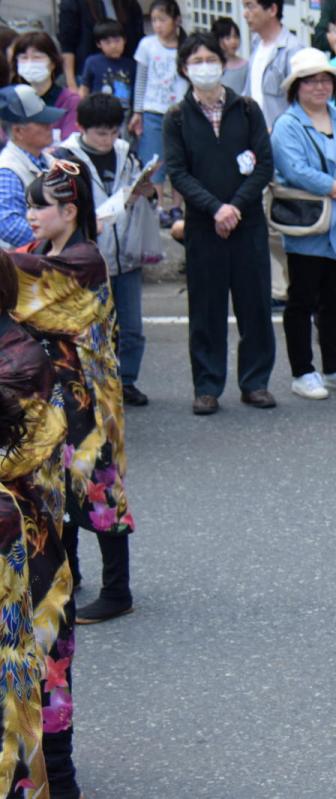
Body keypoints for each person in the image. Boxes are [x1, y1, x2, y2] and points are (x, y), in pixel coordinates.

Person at [11, 159, 133, 797]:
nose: (32, 215)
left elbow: (31, 287)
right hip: (50, 403)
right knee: (54, 507)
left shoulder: (82, 260)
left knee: (98, 493)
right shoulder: (38, 257)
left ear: (70, 210)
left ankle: (118, 586)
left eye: (42, 205)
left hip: (84, 398)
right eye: (30, 205)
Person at [164, 32, 277, 415]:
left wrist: (235, 208)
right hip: (203, 225)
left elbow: (263, 165)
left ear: (224, 62)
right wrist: (215, 209)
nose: (205, 67)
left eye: (210, 59)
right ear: (184, 69)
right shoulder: (177, 117)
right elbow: (178, 173)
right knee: (206, 309)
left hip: (247, 222)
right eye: (196, 61)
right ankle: (207, 386)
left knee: (255, 304)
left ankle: (255, 382)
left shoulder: (246, 109)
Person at [0, 248, 69, 797]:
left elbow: (15, 459)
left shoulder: (21, 361)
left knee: (39, 676)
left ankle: (62, 781)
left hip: (26, 544)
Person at [272, 48, 336, 400]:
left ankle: (334, 367)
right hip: (309, 224)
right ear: (296, 87)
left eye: (325, 80)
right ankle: (302, 371)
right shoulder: (288, 125)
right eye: (310, 81)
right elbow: (294, 169)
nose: (319, 86)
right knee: (302, 298)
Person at [54, 92, 160, 409]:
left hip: (125, 253)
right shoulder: (65, 159)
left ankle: (126, 381)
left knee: (131, 327)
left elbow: (145, 199)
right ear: (82, 127)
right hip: (87, 257)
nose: (109, 139)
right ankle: (92, 385)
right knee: (91, 326)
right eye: (101, 133)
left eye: (114, 132)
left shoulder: (126, 154)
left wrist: (147, 193)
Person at [131, 0, 188, 225]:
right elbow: (141, 80)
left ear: (176, 20)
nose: (157, 25)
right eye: (154, 20)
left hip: (179, 112)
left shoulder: (185, 47)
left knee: (179, 160)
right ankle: (160, 205)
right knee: (154, 160)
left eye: (162, 19)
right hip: (152, 110)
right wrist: (138, 111)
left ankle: (177, 206)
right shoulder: (147, 45)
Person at [0, 85, 63, 249]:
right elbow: (8, 225)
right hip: (24, 261)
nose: (50, 126)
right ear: (18, 131)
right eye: (42, 122)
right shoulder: (7, 169)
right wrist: (56, 240)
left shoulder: (48, 159)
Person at [243, 0, 305, 131]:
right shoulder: (256, 44)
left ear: (272, 10)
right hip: (256, 134)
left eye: (250, 6)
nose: (245, 14)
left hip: (282, 135)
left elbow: (302, 103)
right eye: (244, 7)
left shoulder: (292, 49)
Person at [57, 0, 144, 91]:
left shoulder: (129, 4)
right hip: (88, 75)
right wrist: (71, 84)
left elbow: (138, 39)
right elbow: (67, 45)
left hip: (126, 72)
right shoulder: (73, 3)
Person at [12, 31, 82, 140]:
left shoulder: (71, 101)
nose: (30, 63)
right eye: (24, 58)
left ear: (53, 63)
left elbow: (70, 140)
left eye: (37, 57)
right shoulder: (11, 100)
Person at [79, 19, 136, 111]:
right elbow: (84, 88)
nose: (113, 46)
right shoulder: (92, 62)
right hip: (98, 111)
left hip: (125, 111)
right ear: (98, 44)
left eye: (117, 41)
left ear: (124, 40)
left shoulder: (131, 65)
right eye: (107, 42)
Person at [213, 16, 248, 93]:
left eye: (236, 37)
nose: (233, 41)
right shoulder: (213, 65)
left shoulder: (245, 65)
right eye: (228, 38)